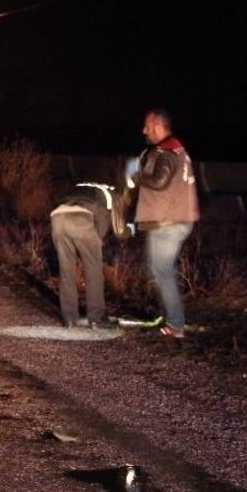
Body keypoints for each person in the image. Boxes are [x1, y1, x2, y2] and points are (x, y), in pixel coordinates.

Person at [125, 109, 199, 338]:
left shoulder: (165, 153)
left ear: (158, 126)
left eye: (147, 126)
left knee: (162, 270)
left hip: (168, 222)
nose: (143, 130)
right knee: (161, 269)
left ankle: (175, 324)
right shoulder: (177, 150)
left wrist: (135, 175)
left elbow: (159, 181)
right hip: (176, 219)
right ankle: (171, 318)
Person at [50, 181, 130, 329]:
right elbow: (117, 229)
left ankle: (69, 319)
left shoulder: (83, 187)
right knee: (94, 270)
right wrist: (129, 231)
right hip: (81, 218)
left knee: (67, 270)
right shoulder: (113, 196)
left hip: (57, 218)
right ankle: (97, 318)